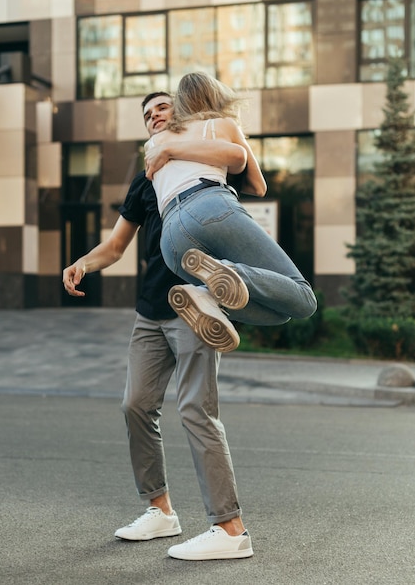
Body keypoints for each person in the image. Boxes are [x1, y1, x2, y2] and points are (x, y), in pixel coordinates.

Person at [62, 91, 254, 561]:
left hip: (193, 306)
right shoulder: (145, 181)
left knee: (196, 410)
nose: (154, 117)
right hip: (150, 309)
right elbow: (115, 246)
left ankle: (230, 529)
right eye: (147, 115)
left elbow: (250, 174)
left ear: (182, 113)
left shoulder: (203, 160)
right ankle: (160, 510)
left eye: (162, 109)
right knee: (135, 405)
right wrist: (83, 264)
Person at [144, 72, 318, 353]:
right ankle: (229, 271)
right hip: (210, 205)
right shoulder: (221, 124)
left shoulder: (155, 142)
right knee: (303, 297)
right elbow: (256, 182)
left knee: (281, 311)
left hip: (172, 243)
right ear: (216, 96)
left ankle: (204, 294)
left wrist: (174, 150)